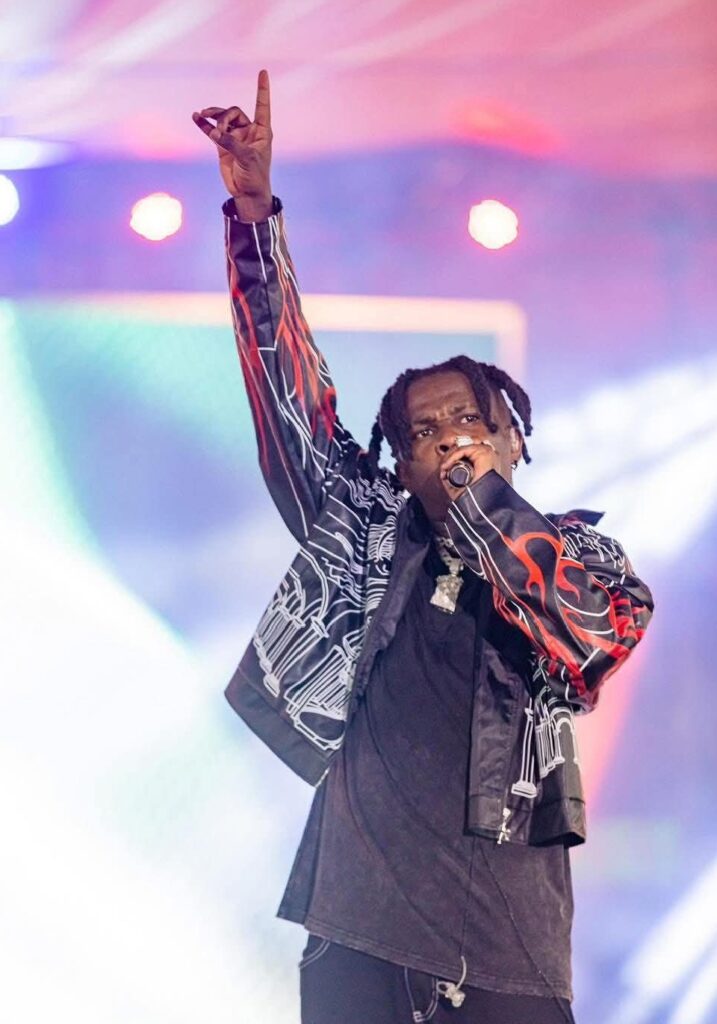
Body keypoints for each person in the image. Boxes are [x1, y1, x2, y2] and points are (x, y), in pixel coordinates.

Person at [192, 71, 653, 1024]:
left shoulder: (585, 562)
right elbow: (288, 399)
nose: (446, 440)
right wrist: (254, 218)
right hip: (357, 930)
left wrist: (485, 511)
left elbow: (590, 637)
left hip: (507, 947)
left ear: (512, 440)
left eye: (467, 422)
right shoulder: (361, 531)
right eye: (422, 433)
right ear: (397, 463)